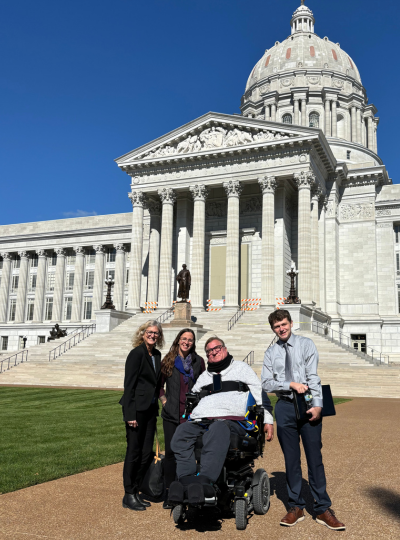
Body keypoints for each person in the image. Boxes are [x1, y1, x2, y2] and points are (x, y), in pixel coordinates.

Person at [261, 309, 345, 531]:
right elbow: (267, 383)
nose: (281, 328)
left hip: (308, 403)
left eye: (284, 324)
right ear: (273, 329)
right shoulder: (270, 353)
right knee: (291, 460)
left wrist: (318, 404)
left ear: (290, 323)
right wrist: (289, 384)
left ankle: (322, 508)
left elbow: (313, 376)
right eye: (277, 326)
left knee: (314, 458)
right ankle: (296, 506)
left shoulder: (306, 344)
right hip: (285, 406)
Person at [169, 336, 274, 503]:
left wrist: (267, 420)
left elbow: (259, 394)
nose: (213, 352)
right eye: (209, 351)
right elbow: (193, 397)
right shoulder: (205, 376)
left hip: (232, 420)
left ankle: (206, 481)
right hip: (203, 419)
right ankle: (186, 481)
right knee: (181, 432)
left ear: (224, 349)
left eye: (216, 348)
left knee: (218, 429)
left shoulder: (241, 368)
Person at [119, 320, 165, 511]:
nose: (152, 335)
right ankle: (128, 493)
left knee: (146, 454)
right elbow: (129, 386)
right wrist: (130, 414)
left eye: (156, 333)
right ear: (142, 333)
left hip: (150, 411)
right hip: (136, 411)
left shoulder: (156, 355)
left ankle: (136, 491)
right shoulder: (136, 354)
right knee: (134, 453)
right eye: (149, 332)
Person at [159, 328, 206, 509]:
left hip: (192, 415)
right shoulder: (168, 360)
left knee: (192, 452)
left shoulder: (198, 361)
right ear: (178, 340)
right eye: (184, 338)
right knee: (171, 453)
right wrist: (164, 401)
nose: (187, 342)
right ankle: (170, 491)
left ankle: (190, 489)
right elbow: (159, 385)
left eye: (190, 340)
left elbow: (204, 383)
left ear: (193, 343)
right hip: (172, 414)